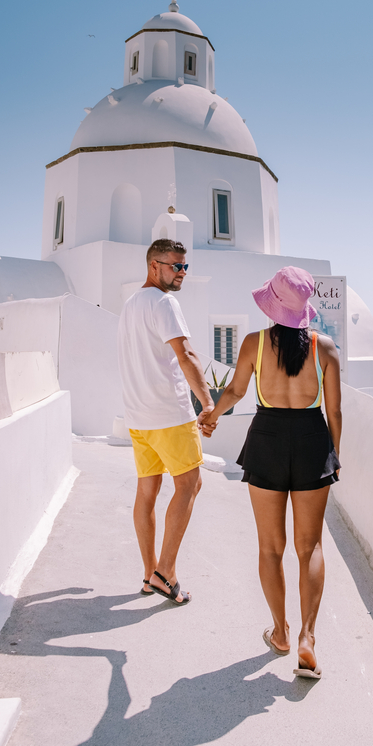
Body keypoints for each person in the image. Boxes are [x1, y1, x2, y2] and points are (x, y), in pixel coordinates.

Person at [208, 266, 342, 679]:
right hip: (310, 439)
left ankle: (280, 633)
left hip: (266, 438)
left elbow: (234, 392)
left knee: (270, 547)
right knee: (311, 547)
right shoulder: (325, 349)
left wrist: (210, 417)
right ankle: (308, 638)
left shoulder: (254, 343)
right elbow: (334, 410)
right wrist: (333, 455)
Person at [117, 239, 217, 605]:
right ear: (154, 265)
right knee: (190, 485)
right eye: (176, 266)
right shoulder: (164, 302)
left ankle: (149, 575)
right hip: (169, 415)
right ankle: (165, 572)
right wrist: (208, 402)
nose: (182, 273)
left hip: (138, 416)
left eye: (185, 267)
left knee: (148, 492)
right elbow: (187, 353)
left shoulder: (130, 305)